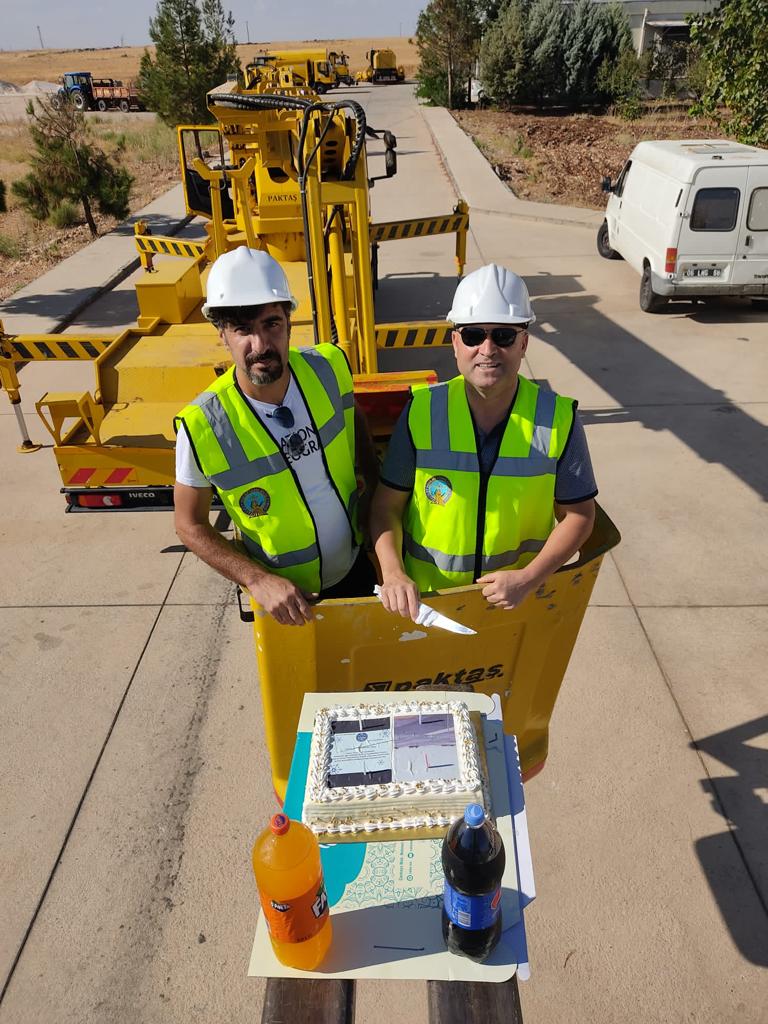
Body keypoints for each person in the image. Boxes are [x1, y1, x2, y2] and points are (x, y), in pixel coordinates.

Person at [371, 263, 597, 620]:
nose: (488, 349)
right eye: (474, 335)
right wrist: (394, 573)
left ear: (524, 343)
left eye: (503, 336)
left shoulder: (558, 419)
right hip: (431, 609)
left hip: (515, 606)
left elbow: (580, 515)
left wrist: (529, 578)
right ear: (455, 343)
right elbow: (386, 508)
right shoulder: (422, 411)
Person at [174, 247, 378, 626]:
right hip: (284, 600)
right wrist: (257, 580)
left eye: (271, 324)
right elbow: (189, 524)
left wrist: (373, 500)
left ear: (289, 321)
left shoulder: (329, 367)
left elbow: (356, 422)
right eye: (242, 329)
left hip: (356, 567)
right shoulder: (203, 425)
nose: (260, 345)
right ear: (222, 334)